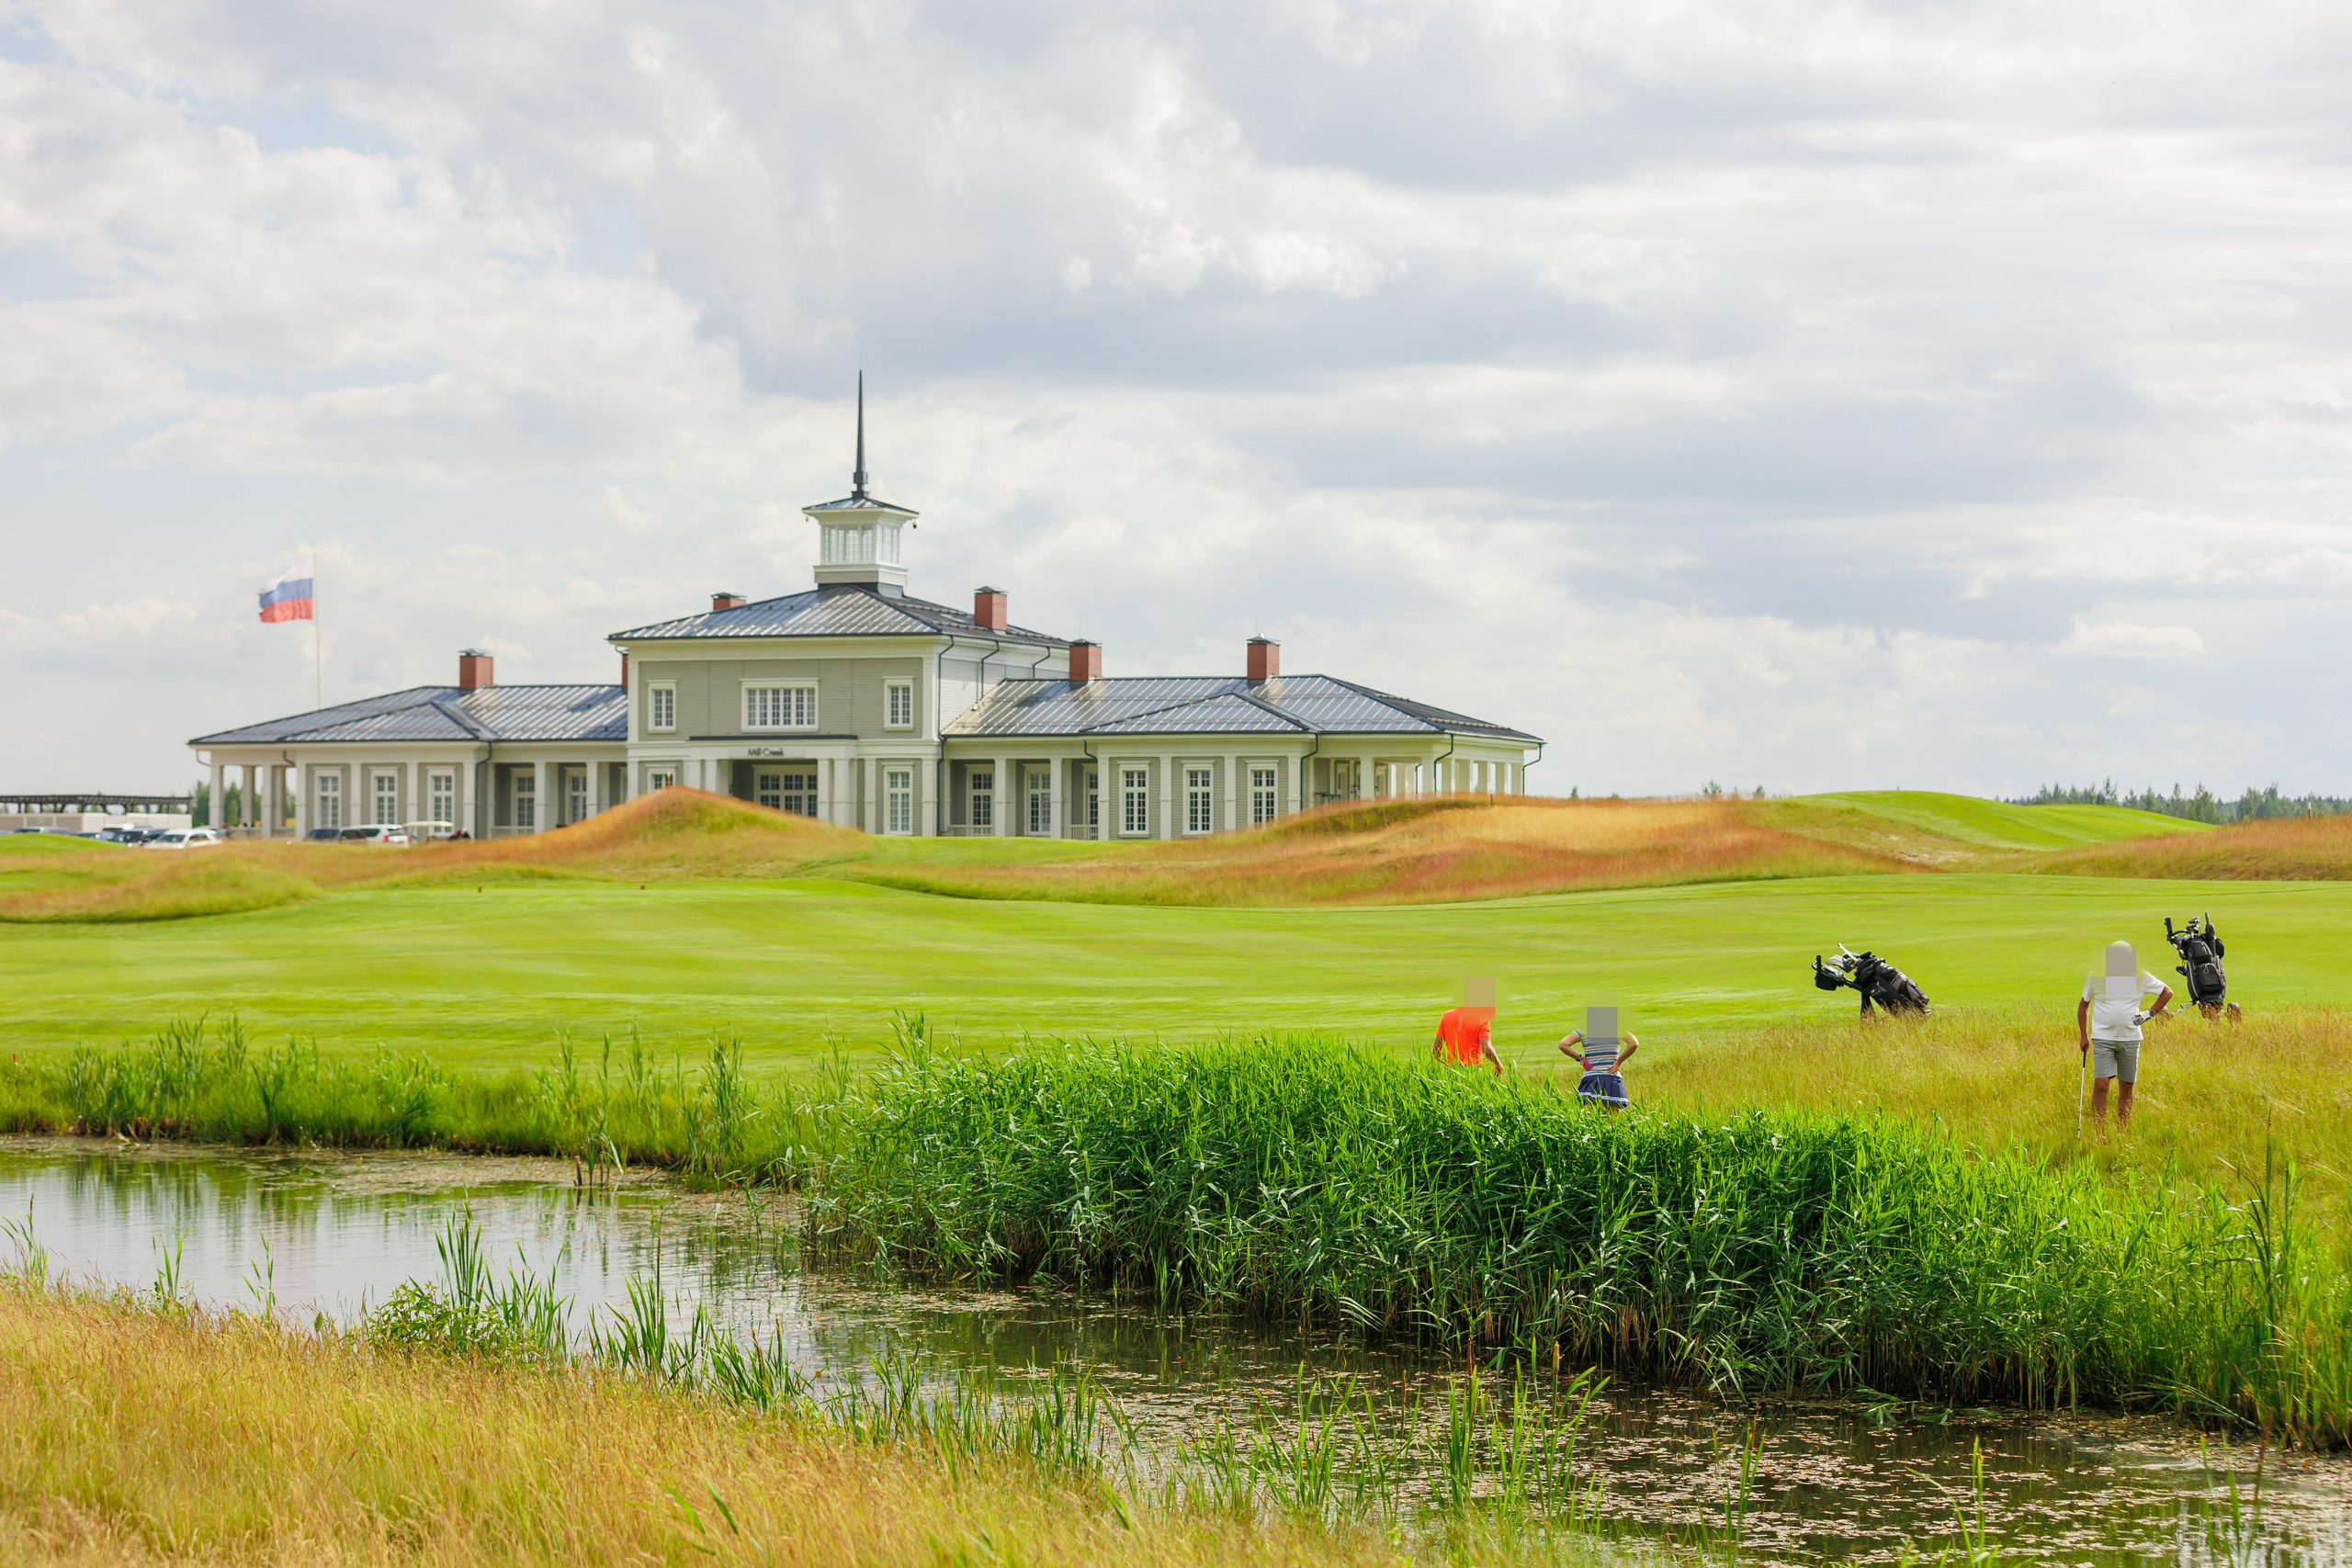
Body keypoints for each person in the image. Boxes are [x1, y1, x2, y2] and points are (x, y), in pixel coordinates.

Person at [2078, 939, 2170, 1134]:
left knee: (2126, 1087)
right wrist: (2084, 1035)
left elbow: (2166, 992)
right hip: (2103, 1037)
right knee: (2101, 1084)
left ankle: (2122, 1131)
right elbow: (2084, 1005)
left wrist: (2148, 1014)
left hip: (2131, 1038)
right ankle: (2098, 1133)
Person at [1559, 1006, 1637, 1111]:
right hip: (1611, 1076)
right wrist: (1618, 1062)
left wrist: (1581, 1059)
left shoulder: (1583, 1031)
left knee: (1595, 1118)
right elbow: (1634, 1043)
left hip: (1591, 1078)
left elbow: (1562, 1044)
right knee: (1612, 1120)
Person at [1433, 978, 1504, 1077]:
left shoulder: (1447, 1016)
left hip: (1450, 1069)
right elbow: (1486, 1049)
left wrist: (1437, 1066)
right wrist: (1497, 1064)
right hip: (1472, 1070)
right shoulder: (1482, 1018)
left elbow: (1436, 1047)